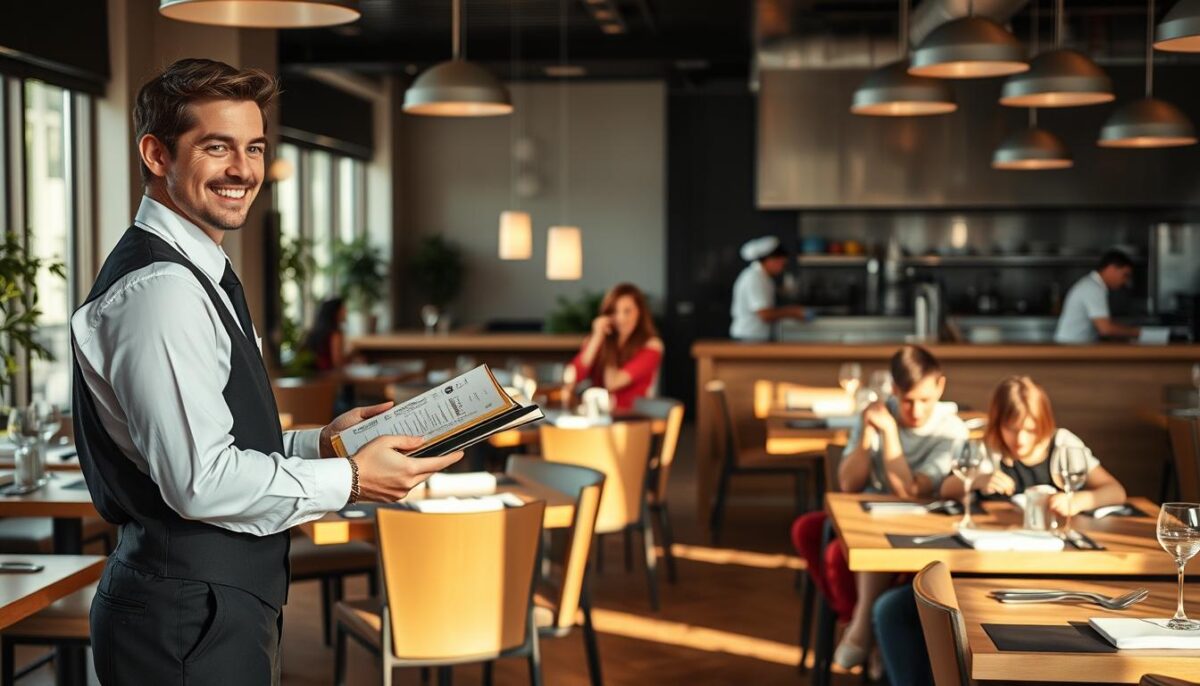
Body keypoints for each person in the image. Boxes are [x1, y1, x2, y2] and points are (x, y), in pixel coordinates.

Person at [71, 59, 462, 685]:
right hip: (186, 618)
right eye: (216, 147)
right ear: (156, 153)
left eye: (254, 147)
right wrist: (353, 479)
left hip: (214, 606)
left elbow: (213, 447)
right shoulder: (162, 289)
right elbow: (199, 481)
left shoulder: (197, 273)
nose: (244, 170)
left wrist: (325, 443)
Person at [874, 376, 1127, 686]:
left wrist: (1079, 499)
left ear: (1045, 423)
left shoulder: (1063, 445)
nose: (1020, 439)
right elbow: (947, 488)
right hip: (980, 573)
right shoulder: (987, 448)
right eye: (1011, 428)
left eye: (1030, 429)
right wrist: (977, 481)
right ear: (998, 424)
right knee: (892, 610)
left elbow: (1115, 490)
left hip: (1052, 577)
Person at [790, 345, 965, 674]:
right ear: (895, 390)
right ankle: (864, 626)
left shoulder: (950, 429)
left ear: (940, 387)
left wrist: (889, 433)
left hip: (923, 529)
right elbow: (849, 484)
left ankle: (860, 631)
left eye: (925, 400)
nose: (915, 410)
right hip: (869, 517)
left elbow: (910, 490)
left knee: (838, 555)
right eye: (908, 400)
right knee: (807, 529)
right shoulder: (878, 413)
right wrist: (868, 432)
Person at [569, 283, 663, 412]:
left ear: (640, 313)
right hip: (597, 417)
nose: (620, 318)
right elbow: (574, 376)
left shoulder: (651, 347)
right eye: (614, 311)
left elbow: (613, 383)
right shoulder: (598, 339)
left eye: (627, 311)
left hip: (631, 419)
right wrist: (596, 338)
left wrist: (609, 344)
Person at [729, 235, 807, 341]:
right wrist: (793, 312)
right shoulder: (754, 278)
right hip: (748, 338)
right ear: (770, 260)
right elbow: (765, 314)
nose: (782, 268)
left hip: (757, 337)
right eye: (781, 264)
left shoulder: (764, 278)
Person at [1053, 249, 1140, 343]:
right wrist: (1140, 332)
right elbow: (1106, 329)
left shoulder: (1092, 285)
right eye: (1125, 275)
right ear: (1111, 268)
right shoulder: (1093, 288)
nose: (1125, 281)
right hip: (1071, 349)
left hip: (1076, 346)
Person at [303, 297, 347, 372]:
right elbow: (337, 362)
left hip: (311, 377)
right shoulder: (335, 333)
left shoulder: (315, 331)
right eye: (343, 309)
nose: (345, 312)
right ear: (335, 312)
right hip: (327, 379)